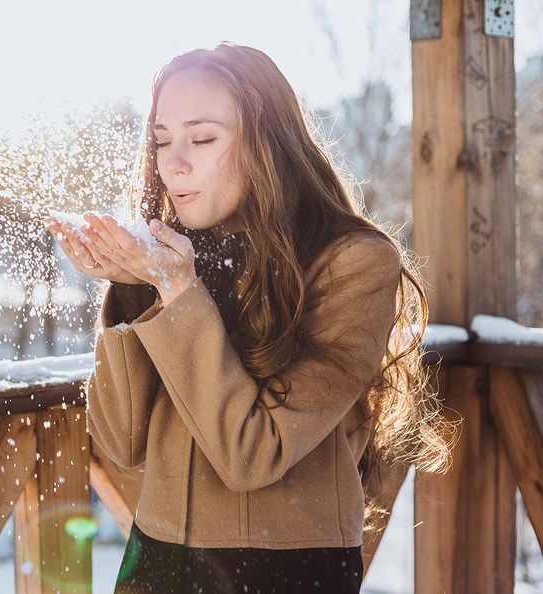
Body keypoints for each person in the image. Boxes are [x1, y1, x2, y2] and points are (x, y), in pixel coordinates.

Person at [45, 42, 453, 594]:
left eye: (203, 138)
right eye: (162, 140)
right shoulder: (176, 260)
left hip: (284, 571)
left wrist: (176, 290)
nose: (173, 163)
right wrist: (127, 285)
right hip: (155, 559)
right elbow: (121, 440)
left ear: (268, 142)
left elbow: (253, 454)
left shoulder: (353, 264)